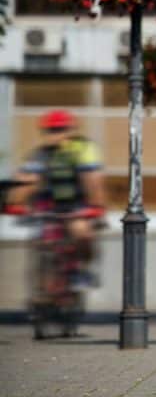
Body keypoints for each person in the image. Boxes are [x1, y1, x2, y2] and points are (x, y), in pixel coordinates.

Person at [10, 110, 107, 281]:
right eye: (51, 131)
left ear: (71, 130)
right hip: (47, 205)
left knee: (81, 231)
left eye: (61, 129)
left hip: (76, 203)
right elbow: (25, 179)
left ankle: (83, 269)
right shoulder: (40, 154)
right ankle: (42, 281)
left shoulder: (83, 150)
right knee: (41, 239)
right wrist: (14, 202)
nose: (56, 135)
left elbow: (92, 180)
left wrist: (96, 206)